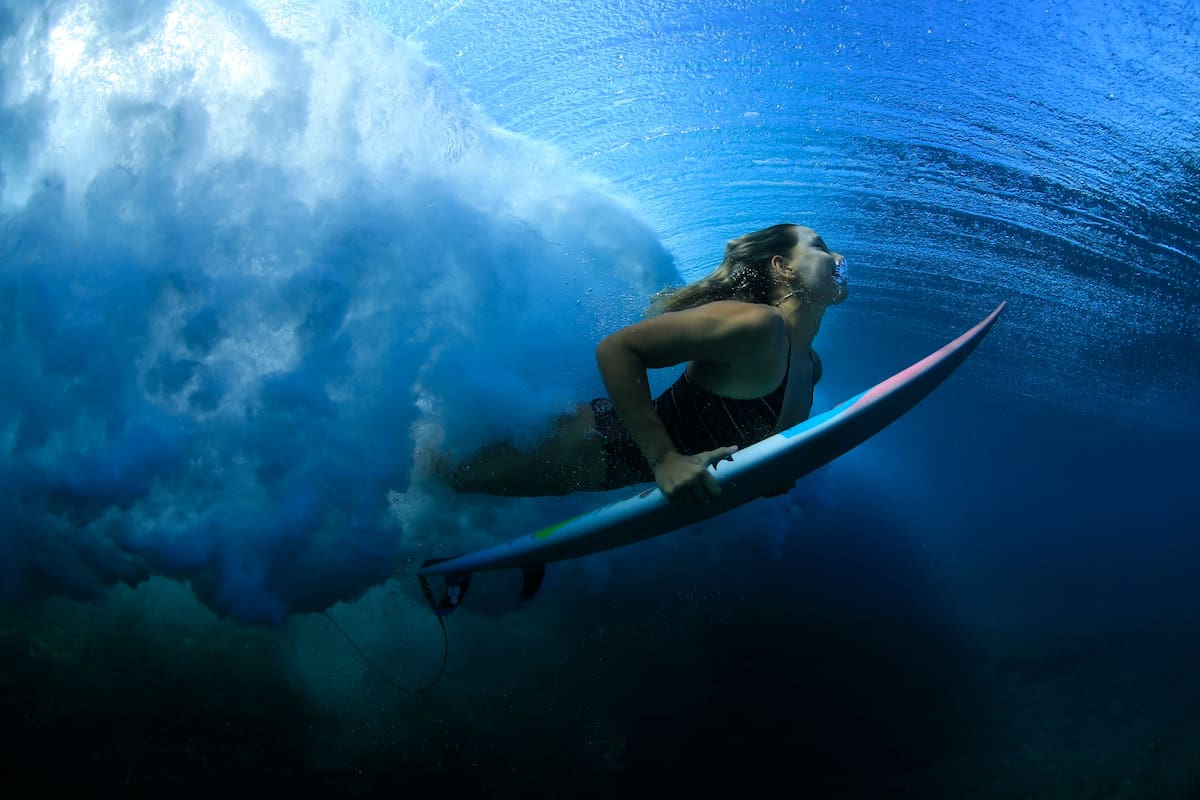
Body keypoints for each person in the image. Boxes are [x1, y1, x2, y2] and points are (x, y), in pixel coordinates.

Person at [436, 223, 848, 505]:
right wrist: (664, 459)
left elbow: (764, 448)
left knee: (456, 485)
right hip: (588, 441)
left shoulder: (810, 367)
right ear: (784, 267)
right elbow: (617, 349)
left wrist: (768, 475)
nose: (838, 256)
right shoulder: (757, 324)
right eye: (819, 245)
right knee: (444, 475)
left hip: (604, 472)